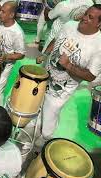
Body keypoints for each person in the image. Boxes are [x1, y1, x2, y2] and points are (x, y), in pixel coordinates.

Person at [36, 4, 101, 144]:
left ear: (99, 23)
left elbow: (91, 76)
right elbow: (56, 39)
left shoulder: (98, 46)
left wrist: (68, 65)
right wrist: (45, 53)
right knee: (38, 106)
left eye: (90, 17)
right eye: (85, 14)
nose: (84, 18)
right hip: (45, 76)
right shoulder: (70, 25)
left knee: (48, 118)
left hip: (61, 90)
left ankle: (45, 144)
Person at [0, 1, 25, 106]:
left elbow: (21, 54)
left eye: (3, 12)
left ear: (11, 15)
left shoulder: (17, 33)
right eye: (0, 10)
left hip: (6, 64)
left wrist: (6, 57)